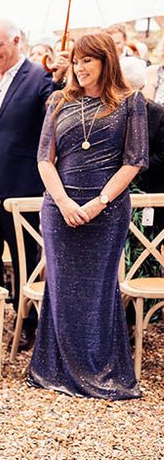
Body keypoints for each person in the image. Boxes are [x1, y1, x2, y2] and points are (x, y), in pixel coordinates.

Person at [30, 32, 148, 399]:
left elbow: (135, 161)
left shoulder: (130, 102)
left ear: (105, 61)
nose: (79, 68)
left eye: (87, 61)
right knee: (61, 288)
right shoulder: (58, 101)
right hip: (60, 207)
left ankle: (99, 367)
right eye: (76, 61)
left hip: (107, 209)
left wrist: (99, 202)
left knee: (99, 289)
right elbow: (44, 159)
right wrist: (64, 202)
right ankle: (55, 368)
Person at [0, 18, 65, 350]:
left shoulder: (41, 78)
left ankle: (29, 323)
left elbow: (56, 116)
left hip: (24, 185)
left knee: (26, 255)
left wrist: (61, 79)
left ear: (16, 41)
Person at [122, 56, 164, 229]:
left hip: (152, 192)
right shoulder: (112, 113)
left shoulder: (158, 114)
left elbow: (162, 155)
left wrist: (135, 167)